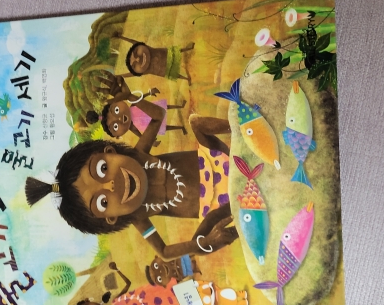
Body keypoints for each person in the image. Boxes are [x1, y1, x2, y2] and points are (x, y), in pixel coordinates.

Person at [25, 74, 237, 259]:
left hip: (215, 158)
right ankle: (241, 225)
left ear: (109, 152)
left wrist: (131, 97)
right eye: (103, 202)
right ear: (110, 218)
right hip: (215, 206)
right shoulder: (137, 215)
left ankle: (238, 126)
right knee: (202, 243)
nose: (111, 185)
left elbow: (158, 116)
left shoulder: (139, 155)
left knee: (196, 122)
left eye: (102, 169)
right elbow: (163, 252)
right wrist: (207, 241)